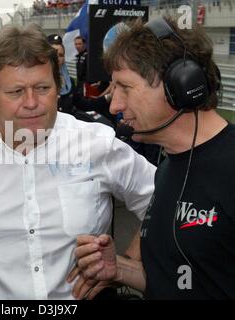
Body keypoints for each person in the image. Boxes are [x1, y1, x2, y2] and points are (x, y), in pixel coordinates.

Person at [0, 23, 156, 299]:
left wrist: (126, 266)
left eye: (42, 87)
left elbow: (164, 200)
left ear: (58, 87)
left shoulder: (97, 144)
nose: (31, 102)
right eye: (16, 92)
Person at [73, 16, 235, 299]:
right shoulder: (167, 168)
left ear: (179, 85)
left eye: (125, 87)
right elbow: (179, 280)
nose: (116, 104)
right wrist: (120, 269)